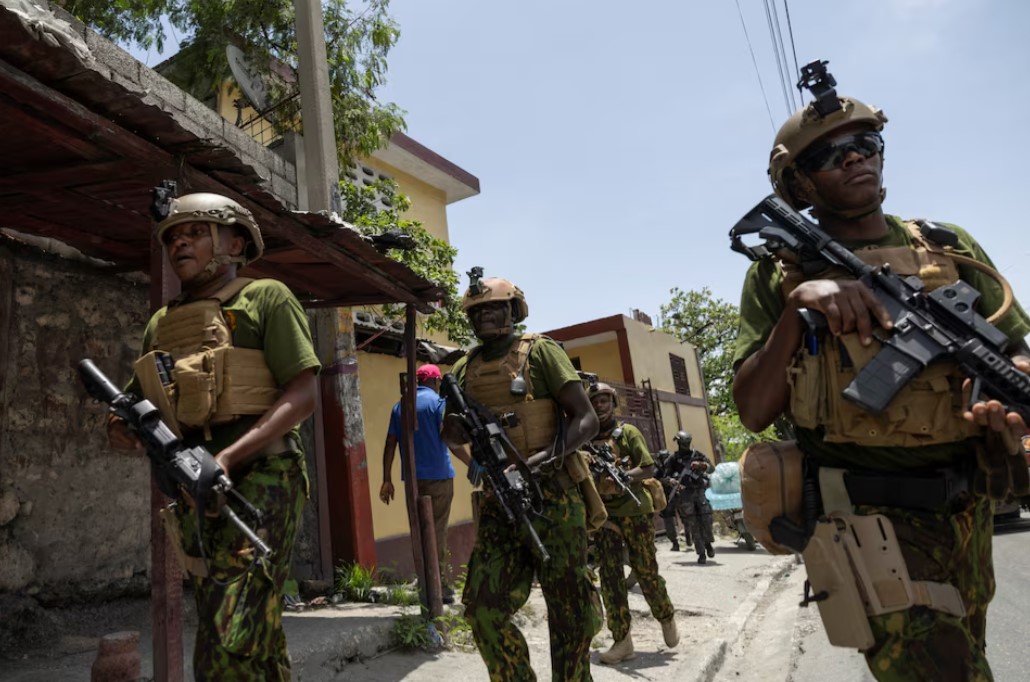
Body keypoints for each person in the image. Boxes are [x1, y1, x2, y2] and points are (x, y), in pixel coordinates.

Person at [732, 67, 1030, 681]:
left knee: (967, 654)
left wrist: (1010, 389)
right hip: (865, 520)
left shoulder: (946, 247)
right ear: (800, 182)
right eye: (832, 155)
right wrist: (799, 305)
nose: (856, 160)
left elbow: (1018, 347)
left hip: (968, 508)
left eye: (866, 145)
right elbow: (755, 410)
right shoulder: (776, 275)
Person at [107, 192, 320, 680]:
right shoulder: (162, 323)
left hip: (265, 477)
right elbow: (135, 400)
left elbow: (304, 395)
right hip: (195, 489)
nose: (180, 243)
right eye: (173, 238)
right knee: (245, 633)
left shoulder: (266, 298)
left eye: (196, 232)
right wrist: (122, 429)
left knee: (230, 632)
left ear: (236, 242)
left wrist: (226, 458)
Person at [441, 270, 603, 681]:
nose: (484, 318)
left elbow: (585, 419)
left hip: (555, 498)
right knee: (482, 609)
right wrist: (468, 441)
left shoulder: (541, 352)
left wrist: (542, 460)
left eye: (494, 308)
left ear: (513, 310)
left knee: (571, 614)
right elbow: (449, 430)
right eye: (476, 312)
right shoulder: (465, 368)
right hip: (501, 504)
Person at [586, 382, 678, 665]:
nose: (600, 405)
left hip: (635, 511)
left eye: (604, 401)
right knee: (611, 579)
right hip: (605, 516)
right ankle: (622, 641)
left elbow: (648, 467)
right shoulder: (585, 440)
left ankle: (665, 615)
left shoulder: (628, 432)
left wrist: (624, 477)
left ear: (613, 404)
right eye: (595, 401)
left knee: (645, 569)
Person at [379, 363, 470, 603]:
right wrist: (472, 464)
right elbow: (451, 440)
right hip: (439, 477)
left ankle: (424, 581)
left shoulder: (400, 407)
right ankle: (440, 587)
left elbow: (390, 444)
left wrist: (386, 479)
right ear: (435, 382)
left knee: (419, 530)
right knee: (437, 531)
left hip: (412, 482)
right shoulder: (439, 405)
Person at [663, 431, 715, 564]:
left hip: (700, 491)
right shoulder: (673, 458)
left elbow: (711, 469)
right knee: (693, 524)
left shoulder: (697, 455)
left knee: (706, 519)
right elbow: (665, 476)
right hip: (685, 495)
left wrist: (702, 465)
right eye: (682, 443)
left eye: (685, 443)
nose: (684, 445)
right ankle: (701, 553)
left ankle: (708, 543)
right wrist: (672, 481)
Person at [653, 449, 687, 551]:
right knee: (669, 521)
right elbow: (654, 482)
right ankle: (675, 542)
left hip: (677, 496)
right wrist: (666, 481)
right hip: (666, 498)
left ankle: (688, 537)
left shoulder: (675, 468)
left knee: (685, 517)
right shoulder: (658, 472)